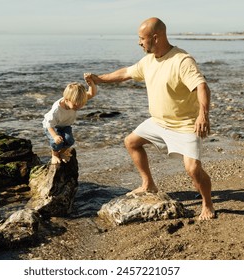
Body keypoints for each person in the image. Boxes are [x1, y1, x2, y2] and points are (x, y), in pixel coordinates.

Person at [90, 17, 215, 220]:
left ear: (155, 38)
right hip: (158, 122)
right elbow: (125, 73)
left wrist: (203, 115)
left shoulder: (182, 60)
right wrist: (99, 79)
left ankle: (207, 204)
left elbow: (201, 86)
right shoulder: (148, 61)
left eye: (142, 38)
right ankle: (148, 183)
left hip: (185, 125)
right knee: (131, 142)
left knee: (193, 169)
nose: (139, 42)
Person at [43, 73, 97, 164]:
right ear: (66, 100)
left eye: (82, 104)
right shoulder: (56, 110)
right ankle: (55, 155)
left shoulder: (76, 99)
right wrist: (55, 136)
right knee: (57, 142)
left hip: (65, 125)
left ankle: (62, 153)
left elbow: (92, 93)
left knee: (69, 140)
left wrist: (91, 84)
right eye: (76, 105)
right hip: (52, 126)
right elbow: (49, 125)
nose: (79, 107)